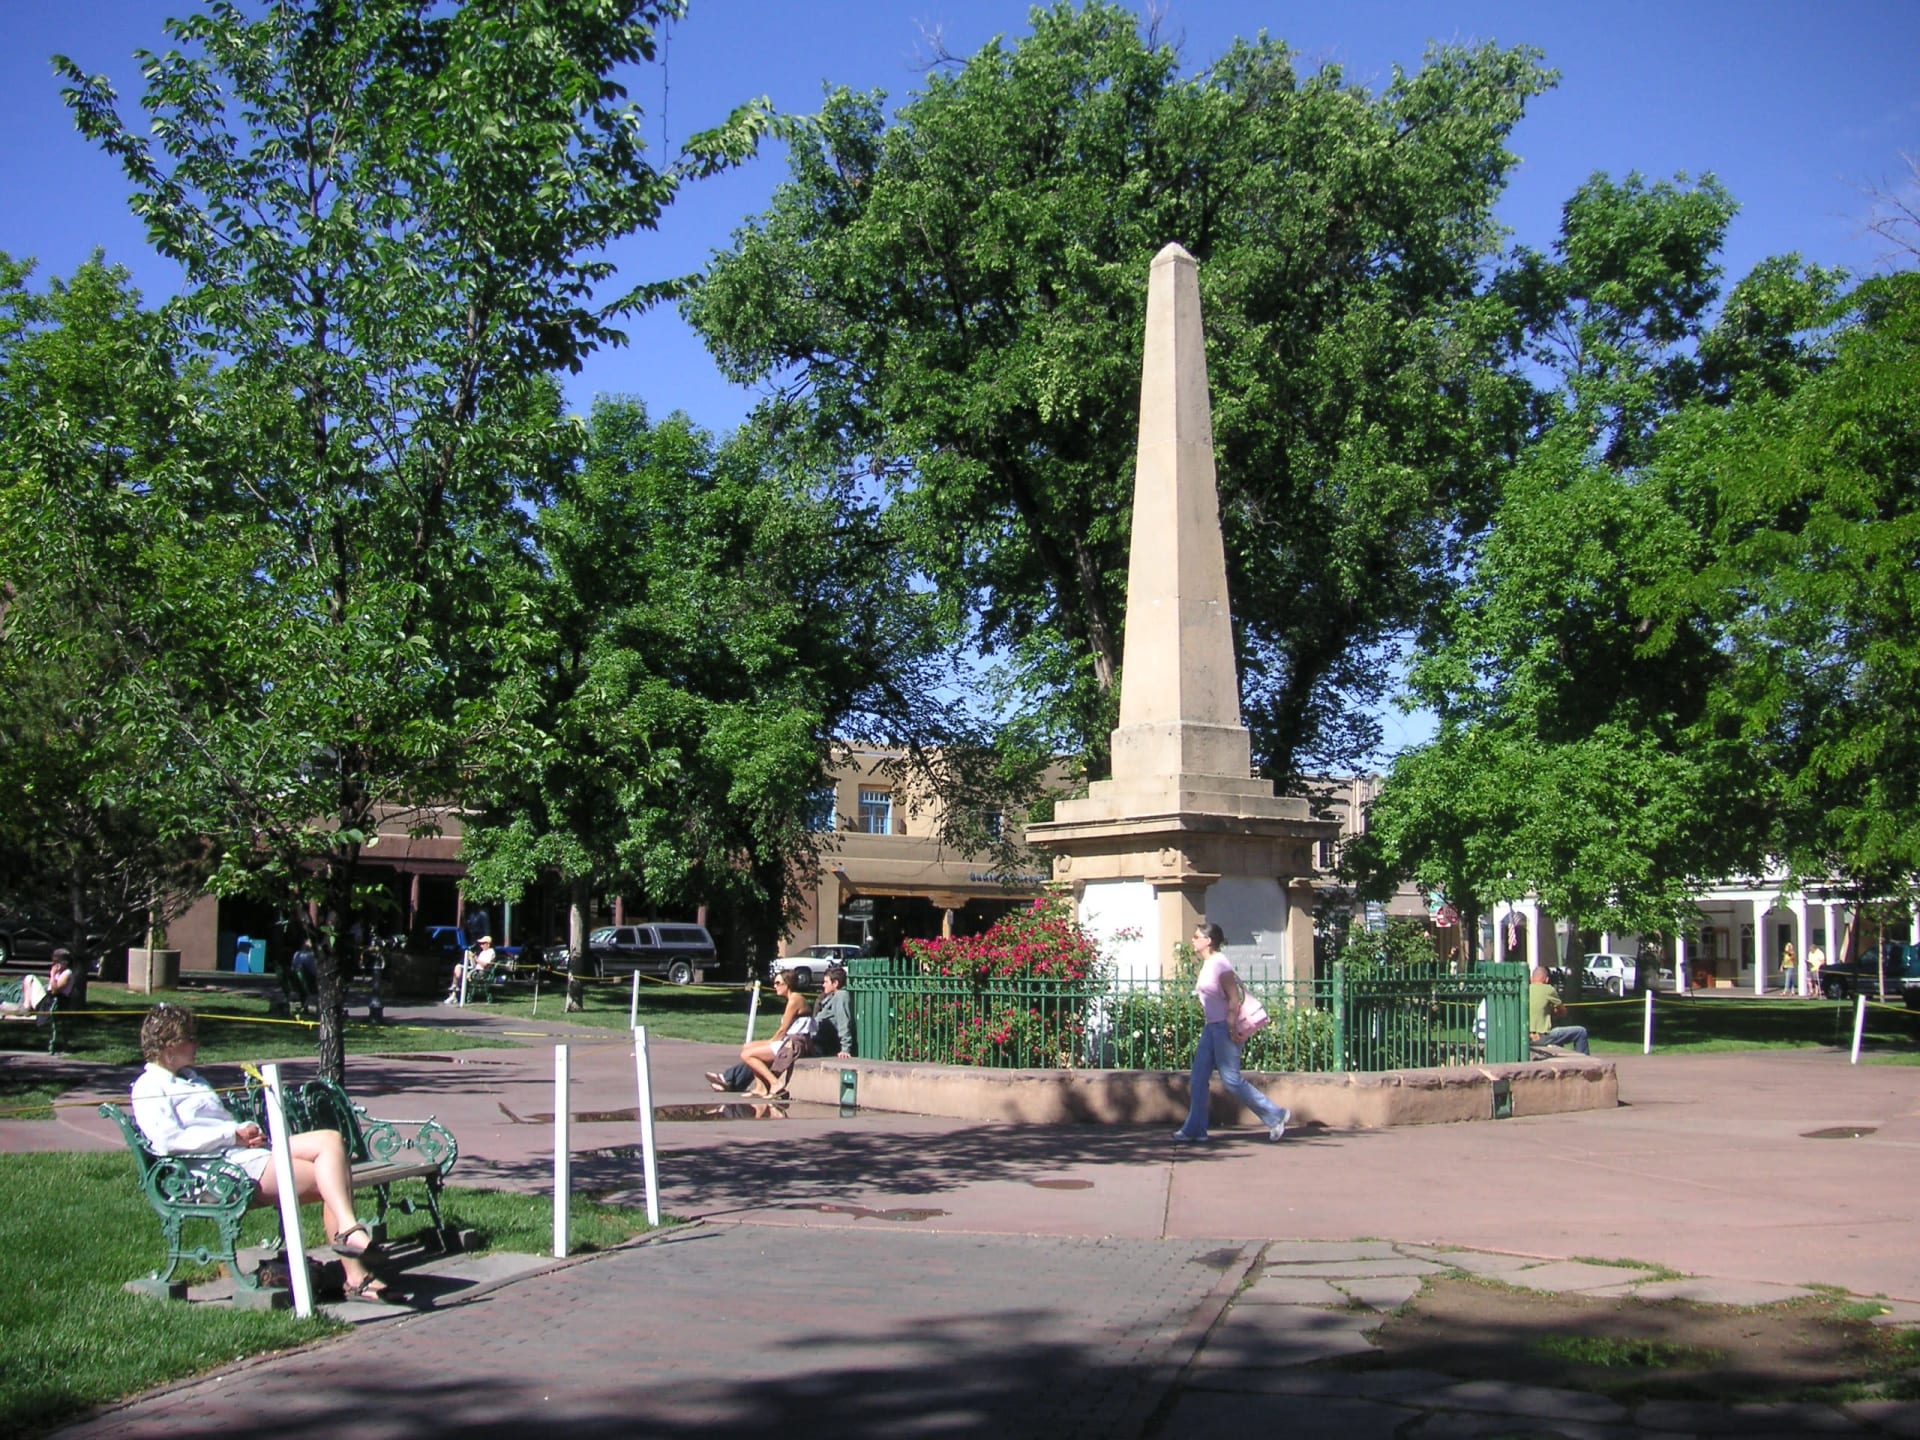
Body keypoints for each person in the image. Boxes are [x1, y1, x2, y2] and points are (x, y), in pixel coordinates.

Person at [129, 1002, 395, 1301]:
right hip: (217, 1173)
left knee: (331, 1141)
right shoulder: (149, 1086)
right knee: (333, 1179)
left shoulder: (192, 1078)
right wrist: (231, 1135)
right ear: (168, 1045)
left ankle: (349, 1235)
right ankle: (355, 1270)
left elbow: (217, 1124)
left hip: (241, 1155)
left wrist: (242, 1129)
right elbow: (169, 1141)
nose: (196, 1043)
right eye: (189, 1037)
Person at [1173, 922, 1291, 1144]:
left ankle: (1275, 1115)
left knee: (1231, 1080)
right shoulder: (1208, 964)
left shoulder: (1220, 964)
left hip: (1224, 1028)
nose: (1193, 940)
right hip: (1212, 1027)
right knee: (1198, 1078)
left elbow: (1234, 998)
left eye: (1197, 936)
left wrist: (1230, 1026)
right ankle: (1195, 1128)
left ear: (1208, 941)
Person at [734, 969, 814, 1098]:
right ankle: (760, 1088)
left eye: (778, 983)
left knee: (747, 1055)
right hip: (788, 1040)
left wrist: (771, 1041)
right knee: (747, 1047)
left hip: (795, 1044)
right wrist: (771, 1041)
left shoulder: (795, 1000)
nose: (774, 986)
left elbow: (783, 1029)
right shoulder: (792, 999)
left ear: (787, 984)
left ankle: (775, 1083)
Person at [1528, 964, 1591, 1054]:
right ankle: (1585, 1063)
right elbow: (1563, 1011)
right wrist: (1554, 1011)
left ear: (1531, 979)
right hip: (1541, 1037)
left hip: (1526, 1037)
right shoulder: (1548, 989)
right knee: (1581, 1032)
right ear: (1547, 980)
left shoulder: (1523, 990)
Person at [813, 964, 855, 1058]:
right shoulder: (833, 996)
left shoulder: (841, 996)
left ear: (835, 983)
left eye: (826, 982)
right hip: (814, 1039)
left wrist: (845, 1049)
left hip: (820, 1044)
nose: (823, 985)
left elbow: (843, 1022)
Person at [444, 934, 497, 1005]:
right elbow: (476, 964)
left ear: (488, 944)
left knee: (460, 974)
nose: (481, 945)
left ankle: (454, 994)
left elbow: (484, 965)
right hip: (476, 970)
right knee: (458, 966)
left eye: (483, 943)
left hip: (482, 973)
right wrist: (471, 958)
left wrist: (476, 959)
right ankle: (454, 990)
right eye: (480, 944)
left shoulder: (491, 952)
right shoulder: (483, 952)